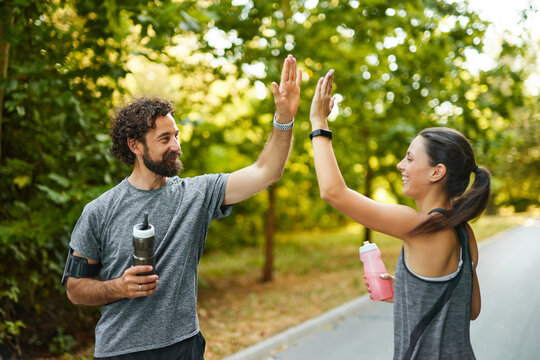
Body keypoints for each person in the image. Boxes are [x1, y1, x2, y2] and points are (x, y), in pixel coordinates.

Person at [61, 55, 301, 359]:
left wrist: (284, 118)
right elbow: (75, 288)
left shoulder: (197, 194)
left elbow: (267, 171)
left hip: (184, 347)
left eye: (176, 135)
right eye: (164, 139)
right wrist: (118, 288)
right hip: (120, 351)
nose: (176, 145)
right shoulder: (99, 211)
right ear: (135, 145)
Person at [309, 69, 490, 359]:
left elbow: (333, 192)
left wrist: (319, 123)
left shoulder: (418, 225)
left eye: (409, 158)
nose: (399, 165)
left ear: (436, 172)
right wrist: (406, 291)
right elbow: (471, 308)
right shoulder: (463, 231)